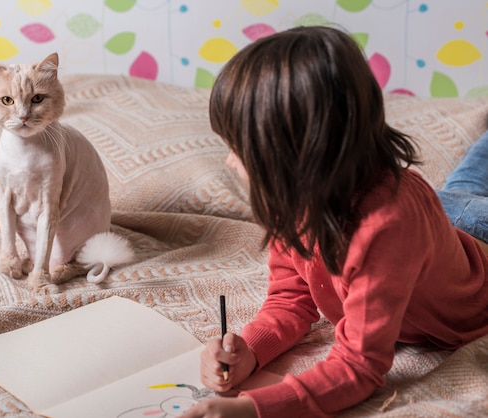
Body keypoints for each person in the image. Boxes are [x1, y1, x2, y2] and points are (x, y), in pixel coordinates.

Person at [181, 25, 488, 418]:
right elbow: (291, 299)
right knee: (467, 181)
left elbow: (361, 367)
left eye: (239, 148)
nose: (229, 161)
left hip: (473, 232)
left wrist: (253, 409)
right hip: (436, 225)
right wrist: (250, 352)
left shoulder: (385, 229)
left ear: (297, 153)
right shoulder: (293, 196)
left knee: (468, 191)